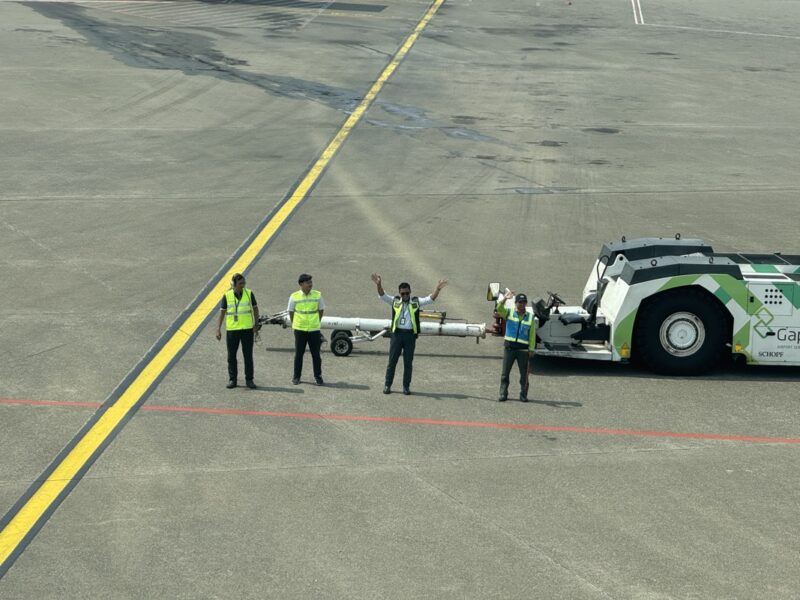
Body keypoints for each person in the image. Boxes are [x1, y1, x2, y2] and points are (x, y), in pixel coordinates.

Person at [370, 273, 448, 395]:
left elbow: (430, 299)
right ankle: (387, 385)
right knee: (392, 361)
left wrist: (437, 289)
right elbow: (382, 295)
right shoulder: (395, 301)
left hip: (410, 336)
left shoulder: (415, 302)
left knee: (408, 363)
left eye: (407, 293)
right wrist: (379, 285)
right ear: (399, 293)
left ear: (410, 291)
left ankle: (406, 387)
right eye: (403, 293)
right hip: (397, 335)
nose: (405, 295)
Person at [215, 273, 260, 389]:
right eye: (240, 283)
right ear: (234, 284)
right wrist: (218, 329)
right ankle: (232, 380)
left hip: (247, 330)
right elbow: (222, 313)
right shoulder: (227, 296)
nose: (243, 285)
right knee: (231, 356)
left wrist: (256, 323)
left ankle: (249, 380)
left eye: (244, 283)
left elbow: (255, 309)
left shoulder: (249, 294)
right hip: (232, 330)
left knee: (248, 356)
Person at [495, 290, 535, 402]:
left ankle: (523, 395)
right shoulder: (509, 312)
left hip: (523, 350)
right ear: (515, 303)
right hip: (510, 349)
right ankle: (503, 393)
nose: (522, 304)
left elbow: (532, 335)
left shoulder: (530, 317)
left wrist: (531, 349)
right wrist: (504, 299)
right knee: (505, 374)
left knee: (524, 375)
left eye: (524, 302)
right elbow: (499, 308)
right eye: (519, 302)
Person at [288, 273, 325, 385]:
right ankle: (296, 377)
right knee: (299, 354)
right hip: (300, 329)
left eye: (311, 282)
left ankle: (318, 377)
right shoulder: (294, 296)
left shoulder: (317, 295)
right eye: (308, 282)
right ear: (301, 284)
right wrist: (296, 323)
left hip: (314, 329)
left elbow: (321, 309)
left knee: (316, 354)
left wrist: (316, 321)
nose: (310, 284)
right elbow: (291, 312)